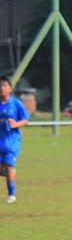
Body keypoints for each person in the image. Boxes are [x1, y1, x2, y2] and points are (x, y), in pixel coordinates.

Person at [0, 75, 30, 204]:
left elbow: (25, 120)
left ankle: (11, 194)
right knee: (6, 170)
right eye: (0, 86)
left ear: (10, 88)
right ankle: (11, 172)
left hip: (12, 142)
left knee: (8, 166)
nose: (1, 89)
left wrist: (16, 124)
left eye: (4, 86)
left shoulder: (16, 103)